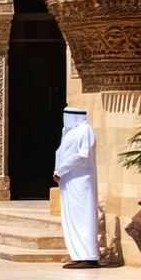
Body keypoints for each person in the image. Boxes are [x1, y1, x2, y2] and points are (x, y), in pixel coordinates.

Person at [55, 107, 100, 269]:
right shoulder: (70, 132)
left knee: (83, 217)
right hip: (69, 181)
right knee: (73, 217)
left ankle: (88, 255)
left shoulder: (85, 130)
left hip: (80, 181)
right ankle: (79, 255)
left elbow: (83, 155)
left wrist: (61, 170)